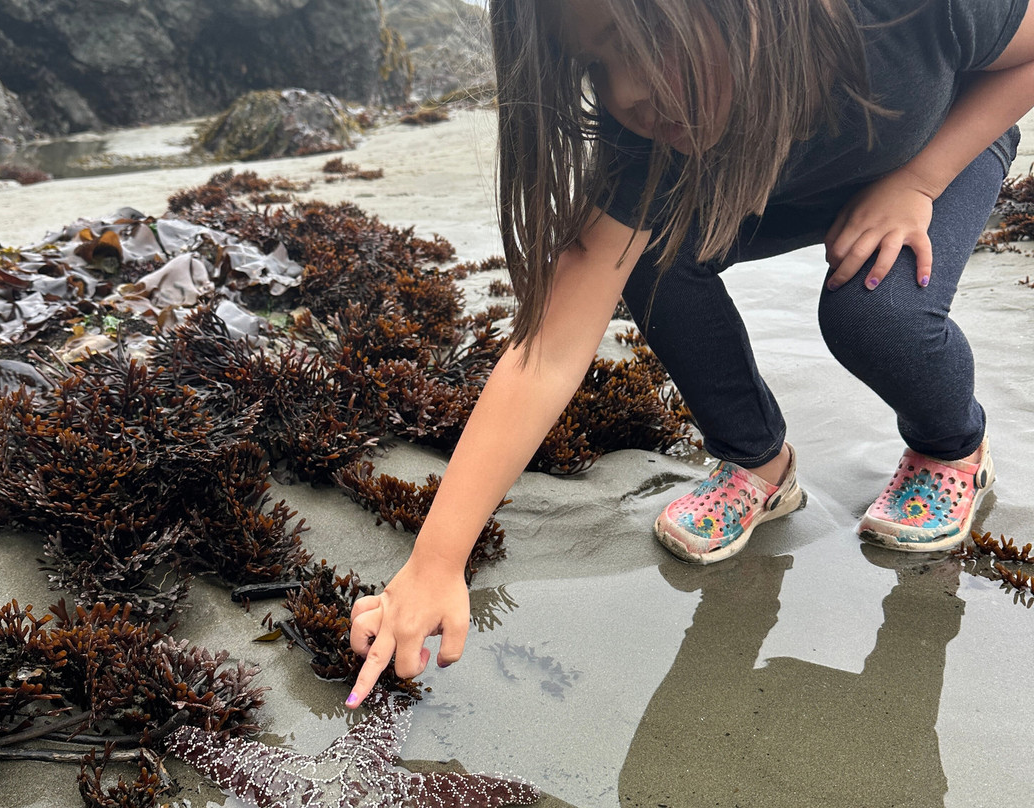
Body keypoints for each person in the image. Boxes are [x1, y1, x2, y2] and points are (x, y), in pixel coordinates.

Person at [344, 0, 1034, 708]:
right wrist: (435, 561)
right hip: (770, 155)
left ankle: (951, 449)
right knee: (648, 253)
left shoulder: (894, 12)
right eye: (594, 67)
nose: (621, 94)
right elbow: (547, 351)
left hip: (938, 139)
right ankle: (758, 462)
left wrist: (919, 181)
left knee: (871, 315)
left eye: (628, 42)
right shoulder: (649, 131)